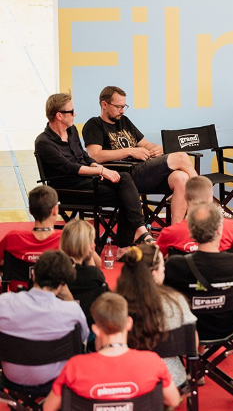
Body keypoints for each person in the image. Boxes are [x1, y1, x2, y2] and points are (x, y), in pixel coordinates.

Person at [34, 92, 150, 252]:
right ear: (59, 115)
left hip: (89, 181)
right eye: (71, 111)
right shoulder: (43, 142)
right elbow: (69, 167)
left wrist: (99, 168)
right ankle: (126, 245)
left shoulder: (72, 130)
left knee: (124, 178)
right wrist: (100, 171)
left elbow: (84, 156)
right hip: (69, 188)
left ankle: (138, 232)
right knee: (127, 196)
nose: (75, 114)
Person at [42, 292, 181, 411]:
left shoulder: (75, 366)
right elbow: (174, 400)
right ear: (128, 323)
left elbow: (48, 407)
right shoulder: (152, 362)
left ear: (96, 329)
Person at [82, 85, 198, 224]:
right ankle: (203, 201)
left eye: (124, 106)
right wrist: (129, 151)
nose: (122, 111)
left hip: (143, 172)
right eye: (118, 107)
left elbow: (145, 144)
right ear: (104, 105)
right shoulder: (94, 124)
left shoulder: (124, 121)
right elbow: (95, 156)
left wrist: (155, 148)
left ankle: (175, 230)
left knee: (181, 178)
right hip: (124, 175)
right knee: (181, 157)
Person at [164, 201, 233, 341]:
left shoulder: (174, 265)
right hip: (227, 328)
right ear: (219, 231)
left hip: (187, 330)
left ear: (191, 233)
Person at [0, 250, 89, 395]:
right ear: (62, 284)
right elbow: (83, 338)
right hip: (54, 382)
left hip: (11, 378)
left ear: (33, 275)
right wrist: (70, 299)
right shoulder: (72, 311)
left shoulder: (4, 302)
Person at [117, 243, 198, 388]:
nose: (164, 268)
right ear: (153, 273)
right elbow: (193, 341)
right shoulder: (175, 301)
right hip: (169, 377)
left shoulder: (116, 303)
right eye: (162, 265)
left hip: (126, 378)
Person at [156, 175, 233, 258]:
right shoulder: (229, 227)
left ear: (185, 197)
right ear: (210, 198)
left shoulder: (170, 232)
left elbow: (156, 259)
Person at [0, 185, 66, 290]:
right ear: (55, 210)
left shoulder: (12, 238)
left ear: (30, 210)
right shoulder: (65, 240)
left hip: (18, 296)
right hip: (54, 296)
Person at [59, 218, 109, 329]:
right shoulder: (94, 276)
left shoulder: (57, 271)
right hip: (88, 326)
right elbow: (95, 273)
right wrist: (90, 258)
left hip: (59, 325)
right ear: (89, 247)